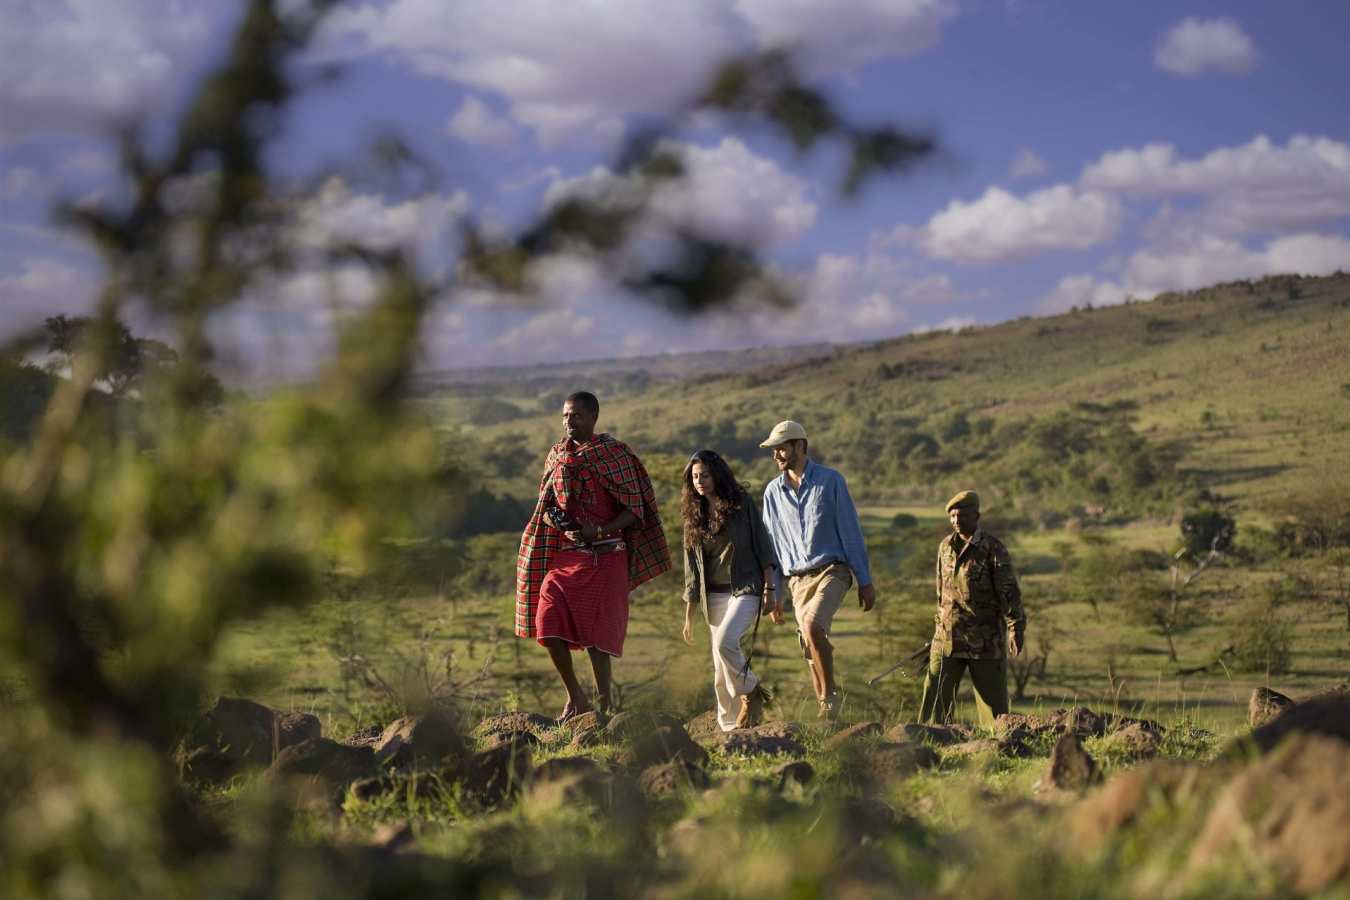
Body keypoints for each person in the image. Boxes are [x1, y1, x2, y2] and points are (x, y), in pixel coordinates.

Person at [515, 391, 671, 722]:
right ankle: (576, 697)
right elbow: (545, 505)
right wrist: (556, 520)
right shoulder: (557, 455)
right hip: (569, 557)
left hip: (606, 556)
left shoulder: (614, 455)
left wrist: (598, 531)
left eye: (576, 416)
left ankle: (605, 706)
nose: (568, 422)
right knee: (548, 622)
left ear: (593, 417)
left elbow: (635, 509)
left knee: (597, 640)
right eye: (565, 416)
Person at [758, 420, 875, 720]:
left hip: (832, 571)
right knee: (808, 648)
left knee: (812, 627)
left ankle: (829, 696)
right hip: (797, 580)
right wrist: (775, 592)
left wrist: (864, 580)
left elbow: (850, 531)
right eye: (774, 451)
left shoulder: (831, 481)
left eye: (782, 449)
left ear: (801, 446)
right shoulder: (772, 493)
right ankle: (829, 715)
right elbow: (773, 546)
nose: (777, 456)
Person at [680, 449, 781, 731]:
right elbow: (691, 568)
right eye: (695, 477)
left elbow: (762, 545)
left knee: (726, 642)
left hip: (745, 588)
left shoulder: (740, 504)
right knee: (720, 670)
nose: (700, 481)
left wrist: (770, 588)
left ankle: (752, 690)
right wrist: (689, 614)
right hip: (712, 595)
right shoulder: (692, 514)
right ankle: (730, 728)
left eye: (705, 475)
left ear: (718, 474)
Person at [918, 490, 1026, 728]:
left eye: (963, 516)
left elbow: (1009, 591)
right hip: (947, 638)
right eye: (953, 516)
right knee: (934, 704)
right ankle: (929, 746)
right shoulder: (944, 547)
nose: (957, 521)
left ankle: (999, 751)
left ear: (976, 516)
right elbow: (940, 592)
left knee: (994, 711)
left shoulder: (992, 548)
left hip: (984, 641)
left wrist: (1015, 627)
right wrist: (936, 632)